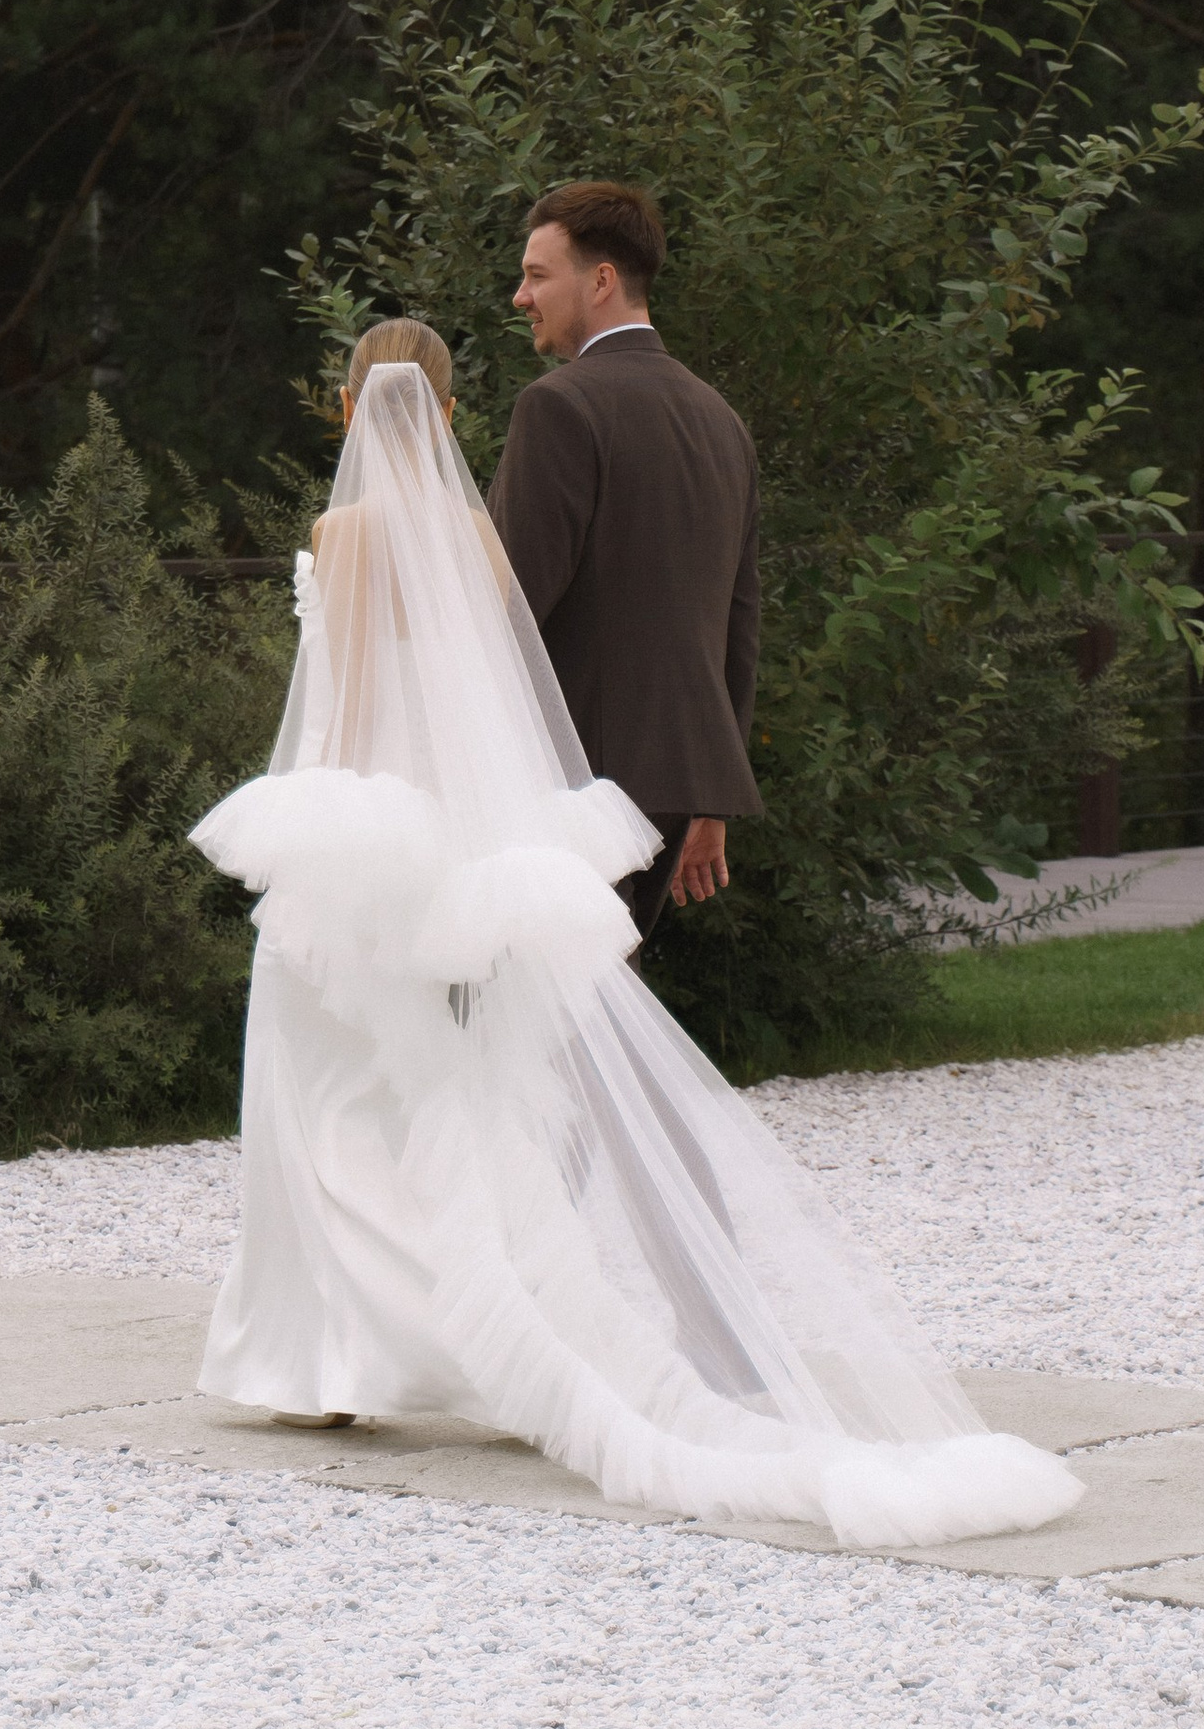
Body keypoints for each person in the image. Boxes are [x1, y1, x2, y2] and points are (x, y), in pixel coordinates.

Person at [189, 309, 1082, 1547]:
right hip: (459, 836)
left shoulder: (340, 532)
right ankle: (449, 1339)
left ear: (347, 411)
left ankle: (330, 1359)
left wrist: (320, 831)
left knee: (319, 1096)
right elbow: (497, 697)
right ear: (450, 418)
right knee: (453, 1103)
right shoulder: (478, 543)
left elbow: (343, 710)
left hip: (363, 840)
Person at [488, 183, 757, 945]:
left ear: (601, 280)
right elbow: (739, 620)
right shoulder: (721, 420)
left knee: (553, 1019)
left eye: (539, 276)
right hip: (676, 781)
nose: (521, 297)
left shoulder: (559, 407)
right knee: (603, 1006)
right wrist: (713, 792)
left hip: (572, 777)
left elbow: (508, 609)